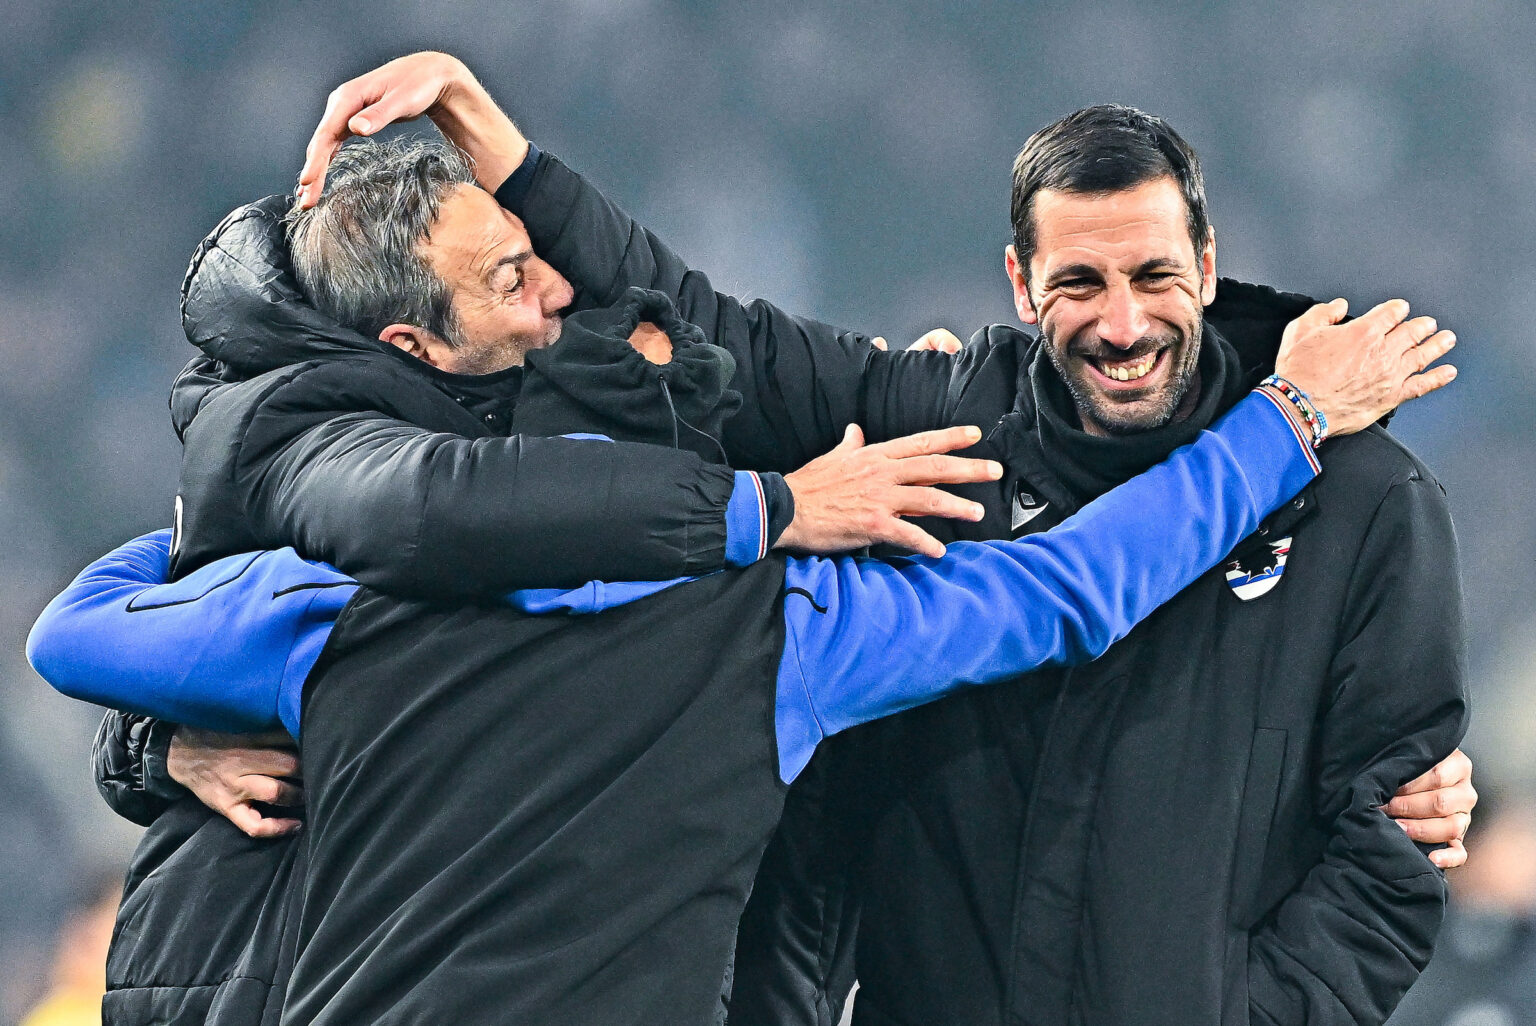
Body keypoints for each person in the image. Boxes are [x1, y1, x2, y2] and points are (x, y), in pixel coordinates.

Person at [290, 55, 1472, 1025]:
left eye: (1155, 275)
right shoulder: (937, 436)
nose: (1122, 324)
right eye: (1079, 282)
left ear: (1207, 269)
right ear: (1020, 284)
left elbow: (1396, 840)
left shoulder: (1361, 499)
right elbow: (711, 328)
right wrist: (501, 144)